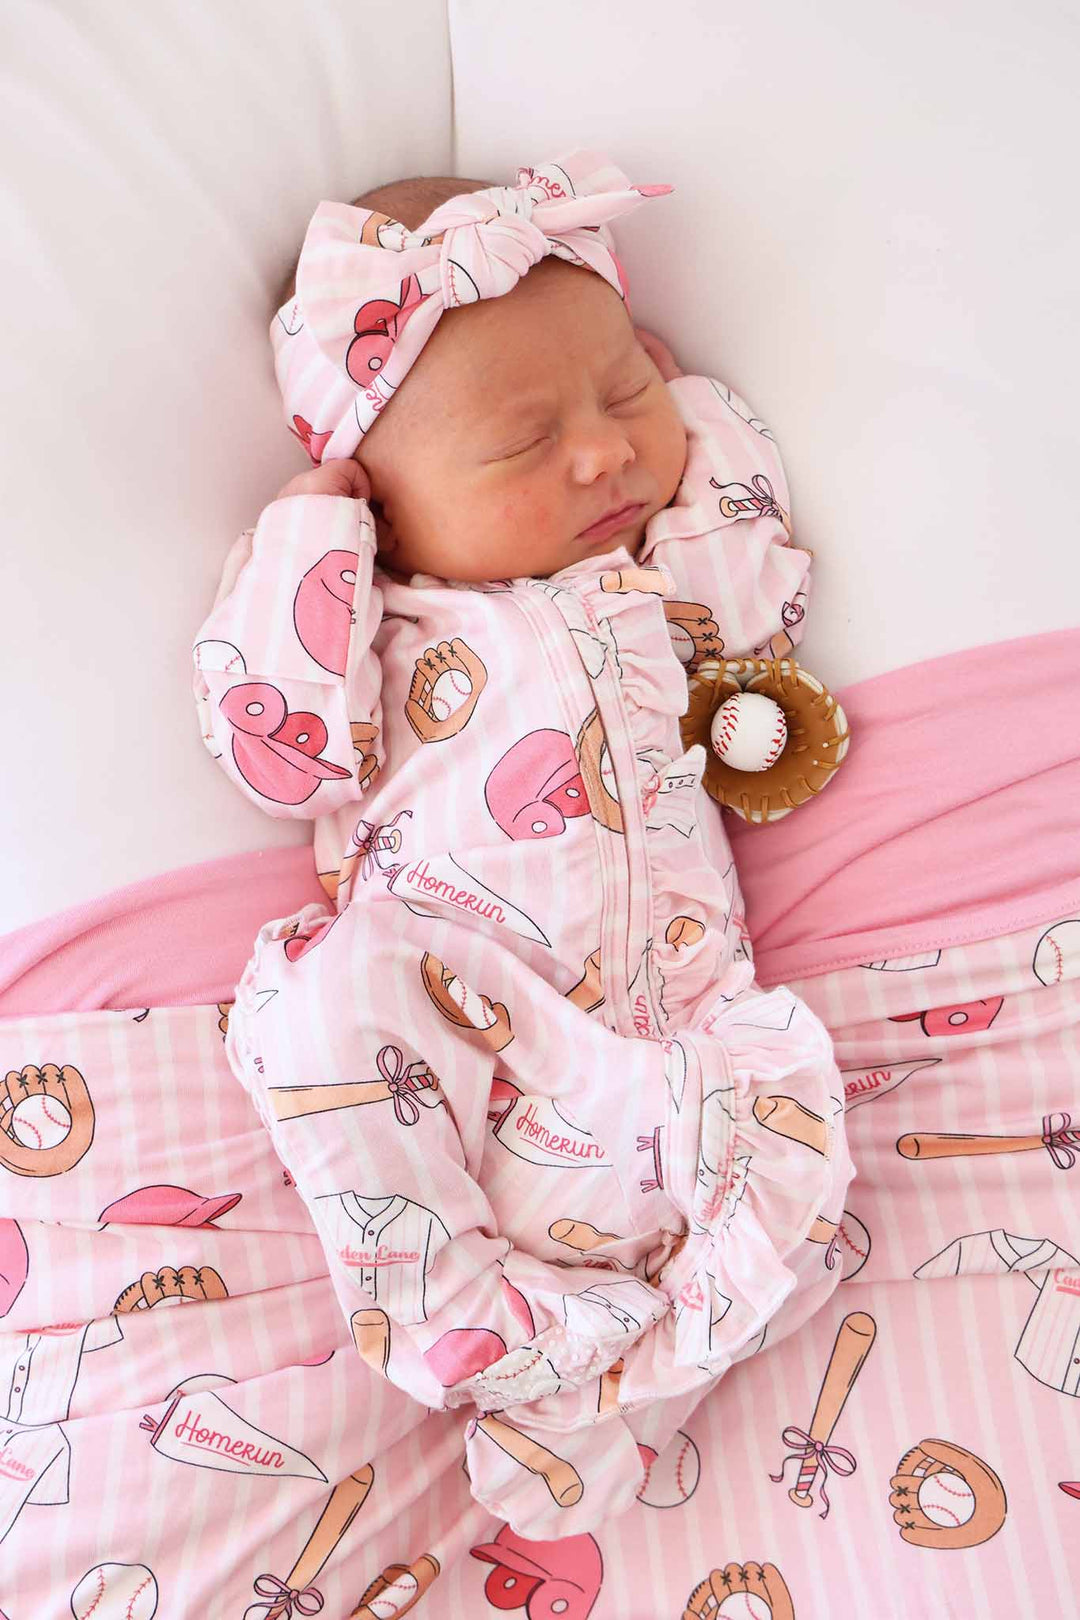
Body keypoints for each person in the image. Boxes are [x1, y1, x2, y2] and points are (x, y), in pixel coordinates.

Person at [192, 149, 854, 1535]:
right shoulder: (390, 619)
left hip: (664, 1039)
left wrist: (688, 407)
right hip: (458, 1032)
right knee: (316, 1003)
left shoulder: (659, 593)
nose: (606, 449)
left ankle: (620, 1379)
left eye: (622, 394)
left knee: (780, 1129)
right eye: (521, 442)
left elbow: (759, 590)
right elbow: (277, 753)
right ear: (382, 496)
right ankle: (460, 1317)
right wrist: (314, 543)